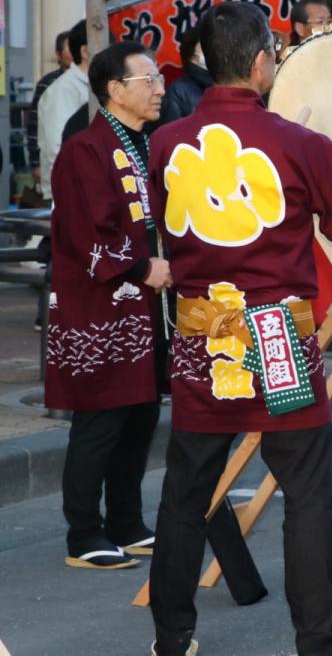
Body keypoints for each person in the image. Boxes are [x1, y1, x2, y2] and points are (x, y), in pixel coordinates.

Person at [147, 1, 332, 656]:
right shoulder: (299, 143)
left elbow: (165, 224)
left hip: (203, 331)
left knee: (185, 489)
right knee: (306, 485)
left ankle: (172, 636)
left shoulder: (167, 143)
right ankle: (317, 635)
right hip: (275, 331)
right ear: (261, 63)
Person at [45, 42, 169, 570]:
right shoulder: (85, 149)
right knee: (101, 417)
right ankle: (83, 533)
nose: (160, 88)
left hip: (144, 303)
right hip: (100, 304)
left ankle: (125, 520)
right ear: (115, 91)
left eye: (159, 77)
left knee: (140, 414)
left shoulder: (150, 143)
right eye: (149, 79)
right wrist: (143, 268)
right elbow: (83, 230)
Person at [37, 19, 90, 201]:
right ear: (85, 52)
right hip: (68, 196)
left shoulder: (92, 86)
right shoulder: (62, 90)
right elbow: (56, 149)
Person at [156, 28, 213, 132]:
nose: (212, 51)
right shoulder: (178, 90)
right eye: (205, 46)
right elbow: (173, 132)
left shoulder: (224, 80)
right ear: (192, 56)